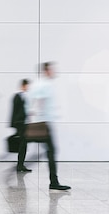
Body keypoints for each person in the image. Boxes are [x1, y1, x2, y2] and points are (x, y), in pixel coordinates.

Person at [21, 62, 71, 191]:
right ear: (46, 71)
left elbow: (32, 103)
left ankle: (53, 180)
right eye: (51, 69)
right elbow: (38, 102)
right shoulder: (44, 85)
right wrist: (39, 119)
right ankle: (53, 182)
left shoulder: (37, 84)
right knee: (51, 151)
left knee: (49, 151)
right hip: (43, 123)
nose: (53, 72)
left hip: (39, 122)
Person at [12, 79, 31, 172]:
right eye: (27, 85)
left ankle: (20, 164)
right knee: (23, 144)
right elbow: (15, 112)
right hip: (20, 124)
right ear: (24, 85)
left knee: (23, 144)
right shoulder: (18, 96)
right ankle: (20, 165)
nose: (28, 88)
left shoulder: (23, 96)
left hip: (23, 123)